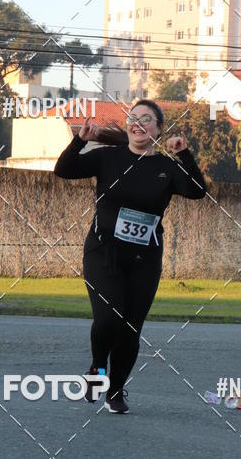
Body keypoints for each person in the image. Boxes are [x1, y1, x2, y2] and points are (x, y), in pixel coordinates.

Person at [54, 100, 207, 414]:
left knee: (130, 328)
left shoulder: (166, 168)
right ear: (127, 126)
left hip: (144, 260)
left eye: (147, 119)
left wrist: (183, 154)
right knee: (109, 318)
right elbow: (64, 170)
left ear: (158, 129)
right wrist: (80, 140)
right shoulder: (107, 157)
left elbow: (197, 190)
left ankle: (117, 390)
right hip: (102, 252)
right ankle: (97, 369)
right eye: (133, 118)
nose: (138, 123)